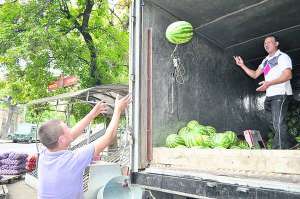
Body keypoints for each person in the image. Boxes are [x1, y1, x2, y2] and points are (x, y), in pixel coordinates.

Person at [37, 94, 131, 199]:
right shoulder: (73, 160)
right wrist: (118, 110)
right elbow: (108, 138)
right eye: (67, 128)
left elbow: (71, 135)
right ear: (62, 139)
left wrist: (92, 114)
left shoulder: (45, 154)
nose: (70, 129)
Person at [234, 36, 296, 149]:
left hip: (281, 94)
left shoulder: (282, 57)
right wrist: (242, 65)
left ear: (276, 43)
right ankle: (291, 142)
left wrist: (269, 83)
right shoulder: (266, 60)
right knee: (272, 123)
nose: (266, 45)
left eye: (269, 42)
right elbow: (254, 75)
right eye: (264, 43)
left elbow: (288, 75)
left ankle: (278, 150)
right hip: (270, 96)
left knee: (278, 123)